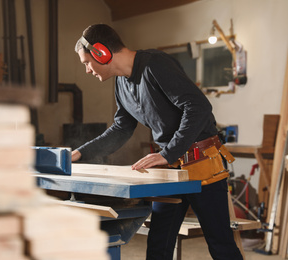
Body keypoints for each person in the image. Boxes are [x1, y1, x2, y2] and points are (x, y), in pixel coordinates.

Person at [72, 23, 243, 260]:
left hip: (203, 163)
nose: (88, 70)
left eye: (87, 62)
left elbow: (198, 106)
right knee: (158, 247)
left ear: (102, 52)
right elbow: (121, 129)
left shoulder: (155, 64)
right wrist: (79, 154)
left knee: (220, 245)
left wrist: (167, 153)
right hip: (170, 169)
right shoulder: (121, 83)